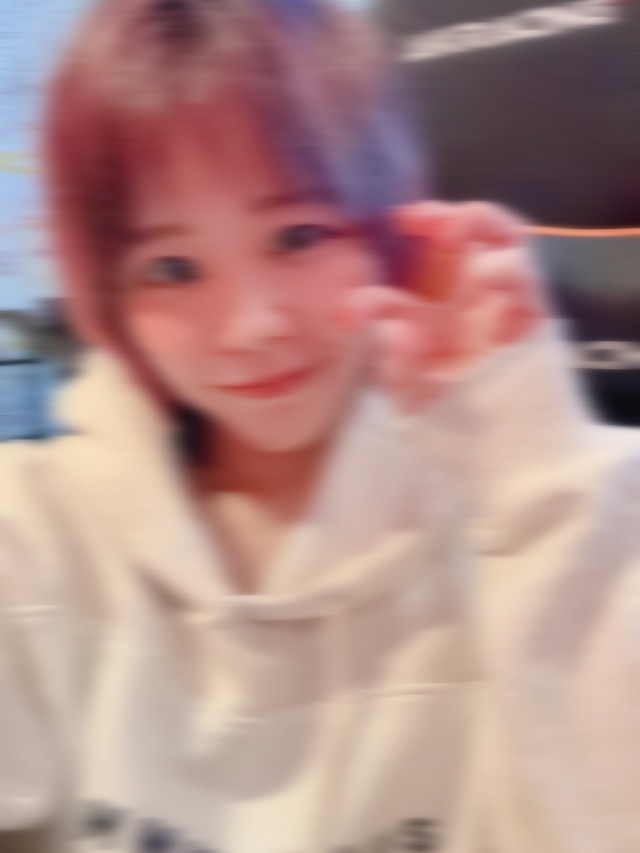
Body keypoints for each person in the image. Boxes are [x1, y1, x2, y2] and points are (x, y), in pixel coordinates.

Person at [0, 1, 638, 851]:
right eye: (172, 268)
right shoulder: (31, 534)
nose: (251, 325)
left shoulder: (563, 511)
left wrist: (539, 484)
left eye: (298, 235)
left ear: (390, 228)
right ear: (106, 294)